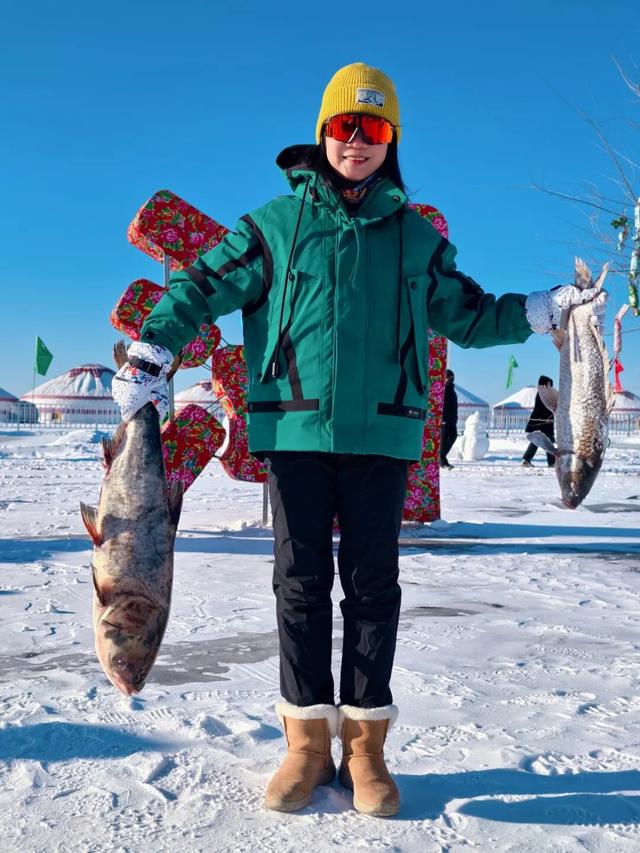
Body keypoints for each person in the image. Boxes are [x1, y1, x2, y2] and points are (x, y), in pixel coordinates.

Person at [111, 62, 605, 818]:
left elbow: (470, 314)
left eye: (373, 127)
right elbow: (202, 285)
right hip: (295, 430)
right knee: (300, 585)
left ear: (390, 139)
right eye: (345, 125)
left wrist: (541, 308)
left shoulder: (414, 237)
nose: (357, 141)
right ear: (324, 132)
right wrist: (154, 348)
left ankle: (366, 751)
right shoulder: (273, 227)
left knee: (374, 588)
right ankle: (306, 745)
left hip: (385, 433)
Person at [522, 375, 556, 467]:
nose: (550, 386)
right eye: (548, 384)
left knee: (540, 441)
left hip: (544, 423)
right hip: (541, 423)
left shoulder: (545, 394)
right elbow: (546, 407)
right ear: (544, 384)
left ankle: (527, 460)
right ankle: (551, 463)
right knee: (546, 442)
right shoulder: (543, 394)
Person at [440, 369, 458, 469]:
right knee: (444, 440)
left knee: (453, 436)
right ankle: (442, 460)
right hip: (445, 420)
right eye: (449, 377)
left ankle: (441, 457)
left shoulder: (452, 390)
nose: (451, 379)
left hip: (452, 420)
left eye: (452, 377)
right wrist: (442, 417)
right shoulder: (443, 390)